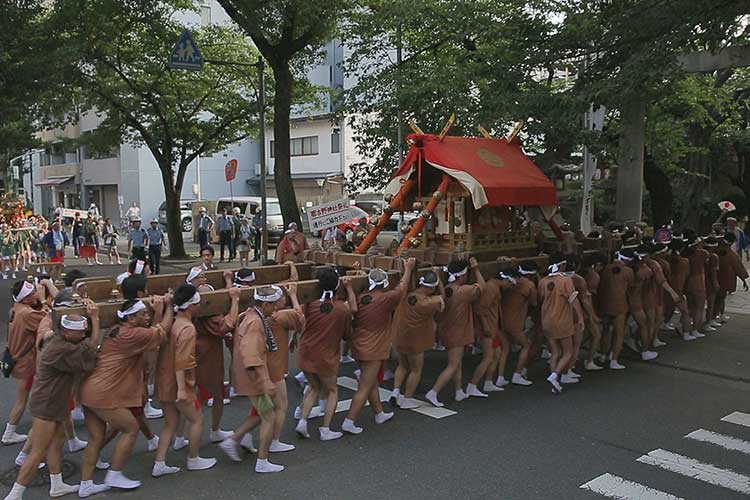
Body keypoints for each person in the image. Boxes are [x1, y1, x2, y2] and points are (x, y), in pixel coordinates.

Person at [2, 301, 104, 500]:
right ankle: (15, 494)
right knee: (38, 451)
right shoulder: (61, 348)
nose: (83, 335)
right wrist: (95, 319)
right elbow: (90, 351)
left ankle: (56, 485)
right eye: (80, 333)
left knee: (57, 442)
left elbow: (85, 345)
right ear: (66, 332)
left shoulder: (61, 340)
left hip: (56, 401)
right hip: (47, 404)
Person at [78, 295, 174, 495]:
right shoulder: (132, 335)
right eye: (143, 314)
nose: (147, 317)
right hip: (103, 392)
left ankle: (85, 484)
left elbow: (151, 334)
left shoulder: (115, 329)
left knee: (96, 438)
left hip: (89, 390)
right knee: (131, 428)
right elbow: (161, 332)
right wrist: (165, 308)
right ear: (130, 319)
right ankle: (114, 474)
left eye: (147, 314)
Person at [342, 260, 414, 434]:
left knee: (371, 381)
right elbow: (402, 288)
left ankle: (379, 413)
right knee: (365, 387)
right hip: (372, 349)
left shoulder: (360, 296)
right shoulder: (385, 298)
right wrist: (408, 269)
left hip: (358, 344)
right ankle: (349, 421)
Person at [152, 284, 217, 477]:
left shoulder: (170, 320)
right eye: (197, 303)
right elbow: (182, 361)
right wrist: (182, 389)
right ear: (191, 306)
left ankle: (159, 463)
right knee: (197, 419)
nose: (199, 307)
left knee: (170, 424)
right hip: (178, 383)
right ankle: (194, 459)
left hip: (164, 379)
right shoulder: (187, 328)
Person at [223, 285, 287, 473]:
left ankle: (237, 438)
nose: (276, 308)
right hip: (253, 377)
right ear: (265, 304)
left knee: (265, 412)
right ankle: (262, 460)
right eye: (274, 305)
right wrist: (265, 380)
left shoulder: (252, 315)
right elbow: (251, 355)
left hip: (250, 375)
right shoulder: (255, 322)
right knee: (268, 416)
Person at [294, 270, 356, 440]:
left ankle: (303, 421)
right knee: (332, 390)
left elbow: (299, 319)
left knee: (314, 387)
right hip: (326, 356)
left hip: (306, 351)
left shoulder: (310, 304)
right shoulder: (342, 309)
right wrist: (350, 289)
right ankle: (325, 429)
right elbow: (347, 333)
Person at [2, 280, 57, 445]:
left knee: (26, 398)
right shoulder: (27, 314)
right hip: (25, 363)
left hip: (16, 359)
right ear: (25, 298)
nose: (35, 293)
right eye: (32, 293)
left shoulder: (16, 309)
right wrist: (42, 300)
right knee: (29, 399)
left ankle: (11, 432)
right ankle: (10, 433)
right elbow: (49, 318)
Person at [425, 257, 485, 408]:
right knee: (452, 365)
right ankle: (433, 392)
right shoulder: (463, 291)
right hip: (457, 331)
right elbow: (482, 287)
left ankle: (459, 391)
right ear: (463, 275)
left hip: (447, 328)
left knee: (457, 363)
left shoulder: (446, 288)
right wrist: (476, 269)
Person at [192, 271, 241, 445]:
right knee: (215, 392)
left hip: (197, 349)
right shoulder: (210, 316)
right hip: (208, 352)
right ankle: (214, 430)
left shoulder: (188, 307)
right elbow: (227, 324)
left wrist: (228, 282)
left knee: (194, 391)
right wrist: (235, 300)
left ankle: (180, 436)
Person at [391, 270, 445, 408]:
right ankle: (407, 399)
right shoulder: (429, 302)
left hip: (400, 336)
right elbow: (443, 297)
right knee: (416, 370)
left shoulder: (406, 294)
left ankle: (395, 392)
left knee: (402, 366)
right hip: (415, 341)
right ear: (432, 287)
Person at [537, 255, 582, 394]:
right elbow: (573, 300)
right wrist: (580, 317)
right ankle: (555, 375)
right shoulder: (566, 280)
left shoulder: (543, 282)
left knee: (555, 352)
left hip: (546, 320)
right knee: (567, 351)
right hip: (562, 320)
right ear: (562, 266)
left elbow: (540, 299)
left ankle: (554, 383)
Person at [494, 262, 538, 386]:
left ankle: (500, 377)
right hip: (515, 322)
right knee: (526, 345)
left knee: (505, 347)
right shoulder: (529, 285)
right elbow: (534, 303)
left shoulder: (507, 283)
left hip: (501, 320)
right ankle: (517, 374)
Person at [598, 248, 635, 369]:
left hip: (605, 303)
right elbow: (631, 288)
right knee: (619, 333)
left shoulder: (606, 268)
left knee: (606, 330)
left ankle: (602, 354)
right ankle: (614, 360)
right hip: (620, 305)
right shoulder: (628, 271)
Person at [715, 232, 749, 324]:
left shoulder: (714, 247)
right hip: (724, 278)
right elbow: (738, 267)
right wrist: (744, 280)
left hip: (712, 276)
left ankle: (714, 316)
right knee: (720, 298)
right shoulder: (731, 254)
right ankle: (717, 316)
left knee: (713, 299)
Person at [683, 234, 710, 338]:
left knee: (690, 307)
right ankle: (694, 329)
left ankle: (684, 327)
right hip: (698, 282)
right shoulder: (702, 253)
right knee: (699, 308)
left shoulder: (684, 254)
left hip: (688, 282)